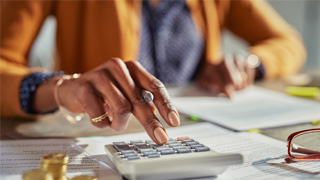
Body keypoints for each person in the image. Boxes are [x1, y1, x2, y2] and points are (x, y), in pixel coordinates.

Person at [0, 0, 306, 145]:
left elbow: (288, 42)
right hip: (98, 137)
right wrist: (59, 88)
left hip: (205, 135)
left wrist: (250, 64)